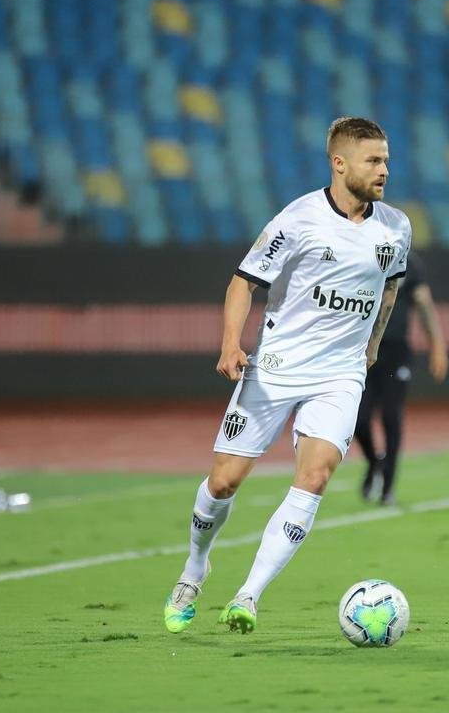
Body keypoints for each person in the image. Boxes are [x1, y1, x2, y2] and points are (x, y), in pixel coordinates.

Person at [163, 116, 411, 635]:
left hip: (339, 375)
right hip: (275, 368)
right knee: (224, 483)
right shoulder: (298, 219)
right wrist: (231, 342)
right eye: (374, 160)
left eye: (386, 159)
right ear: (339, 163)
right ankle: (194, 567)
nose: (385, 169)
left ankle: (248, 596)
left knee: (314, 476)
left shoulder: (395, 228)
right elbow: (243, 281)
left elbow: (389, 289)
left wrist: (371, 344)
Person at [353, 251, 448, 506]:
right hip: (362, 350)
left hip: (396, 353)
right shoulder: (359, 253)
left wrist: (437, 345)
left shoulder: (410, 263)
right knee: (358, 420)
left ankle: (388, 486)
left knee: (391, 416)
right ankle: (375, 463)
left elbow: (424, 304)